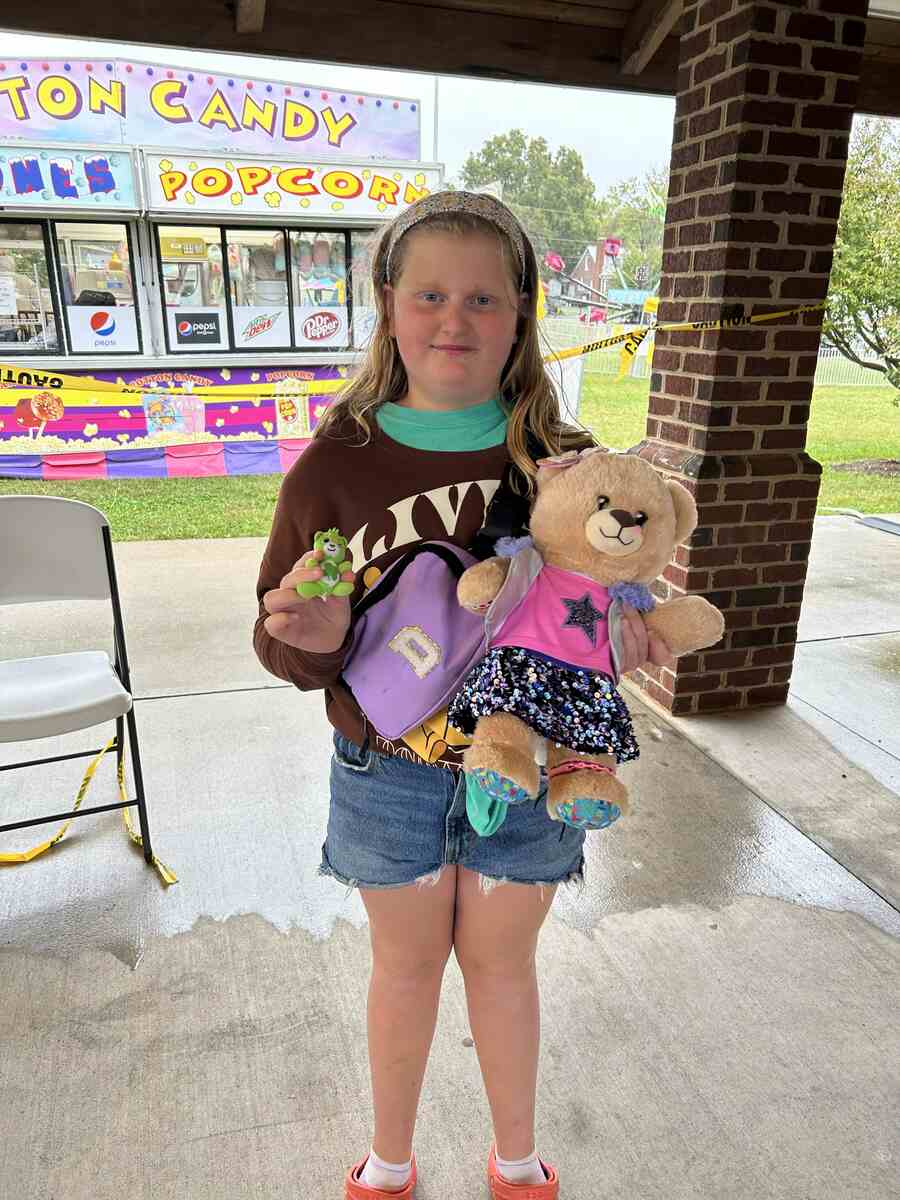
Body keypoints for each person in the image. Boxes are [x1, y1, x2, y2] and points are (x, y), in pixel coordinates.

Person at [254, 191, 666, 1199]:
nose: (455, 319)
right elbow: (289, 642)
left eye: (484, 298)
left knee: (503, 965)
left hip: (531, 777)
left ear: (521, 313)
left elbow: (603, 603)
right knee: (402, 969)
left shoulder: (566, 465)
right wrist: (310, 637)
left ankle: (515, 1160)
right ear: (389, 304)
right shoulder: (334, 466)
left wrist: (631, 637)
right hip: (385, 772)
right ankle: (389, 1162)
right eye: (430, 294)